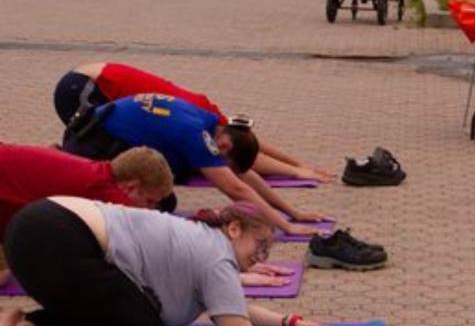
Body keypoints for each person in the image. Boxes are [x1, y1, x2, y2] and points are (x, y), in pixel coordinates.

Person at [3, 197, 322, 326]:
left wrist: (288, 322)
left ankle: (23, 322)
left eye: (268, 251)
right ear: (234, 229)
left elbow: (229, 307)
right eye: (260, 245)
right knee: (141, 319)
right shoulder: (218, 257)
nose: (260, 256)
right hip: (56, 235)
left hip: (40, 227)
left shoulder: (206, 245)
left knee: (121, 309)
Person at [61, 93, 329, 237]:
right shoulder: (197, 135)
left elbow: (244, 179)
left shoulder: (211, 123)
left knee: (164, 197)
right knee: (158, 205)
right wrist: (287, 227)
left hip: (96, 130)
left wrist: (292, 212)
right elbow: (236, 189)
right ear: (223, 148)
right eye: (225, 163)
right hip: (90, 144)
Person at [53, 62, 335, 183]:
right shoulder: (199, 122)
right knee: (94, 154)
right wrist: (297, 173)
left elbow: (251, 146)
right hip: (83, 87)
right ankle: (54, 160)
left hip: (89, 80)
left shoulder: (209, 116)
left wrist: (299, 165)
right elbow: (246, 159)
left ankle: (56, 158)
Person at [0, 143, 173, 286]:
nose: (148, 210)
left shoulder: (93, 170)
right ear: (131, 187)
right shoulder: (109, 195)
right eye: (149, 202)